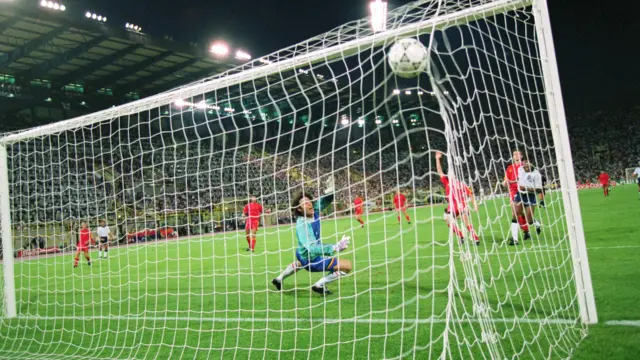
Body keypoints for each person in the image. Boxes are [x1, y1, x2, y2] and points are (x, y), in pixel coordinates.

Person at [271, 192, 351, 296]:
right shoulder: (303, 225)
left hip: (301, 252)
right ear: (299, 209)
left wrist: (330, 192)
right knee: (347, 266)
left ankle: (279, 279)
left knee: (300, 263)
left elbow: (324, 201)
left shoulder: (313, 211)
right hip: (312, 259)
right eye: (305, 203)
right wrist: (334, 247)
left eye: (309, 201)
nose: (309, 204)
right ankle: (319, 285)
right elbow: (312, 248)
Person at [435, 151, 480, 245]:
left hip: (461, 205)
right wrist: (437, 159)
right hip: (452, 206)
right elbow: (439, 171)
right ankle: (461, 236)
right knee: (447, 219)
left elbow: (471, 195)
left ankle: (475, 238)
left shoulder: (461, 185)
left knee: (466, 222)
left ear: (455, 176)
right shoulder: (447, 183)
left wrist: (474, 204)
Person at [510, 160, 544, 245]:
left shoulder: (537, 174)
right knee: (515, 214)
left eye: (527, 164)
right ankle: (515, 239)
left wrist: (527, 188)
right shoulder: (520, 169)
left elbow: (540, 189)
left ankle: (536, 223)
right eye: (524, 164)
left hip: (531, 196)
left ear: (531, 163)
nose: (525, 166)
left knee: (529, 220)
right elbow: (520, 183)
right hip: (520, 194)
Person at [503, 150, 531, 241]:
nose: (515, 155)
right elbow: (505, 180)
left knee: (518, 212)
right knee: (515, 212)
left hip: (523, 191)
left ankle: (526, 230)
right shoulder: (510, 167)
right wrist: (504, 183)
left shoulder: (525, 166)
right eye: (514, 154)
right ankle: (519, 235)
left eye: (517, 153)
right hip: (513, 192)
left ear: (521, 156)